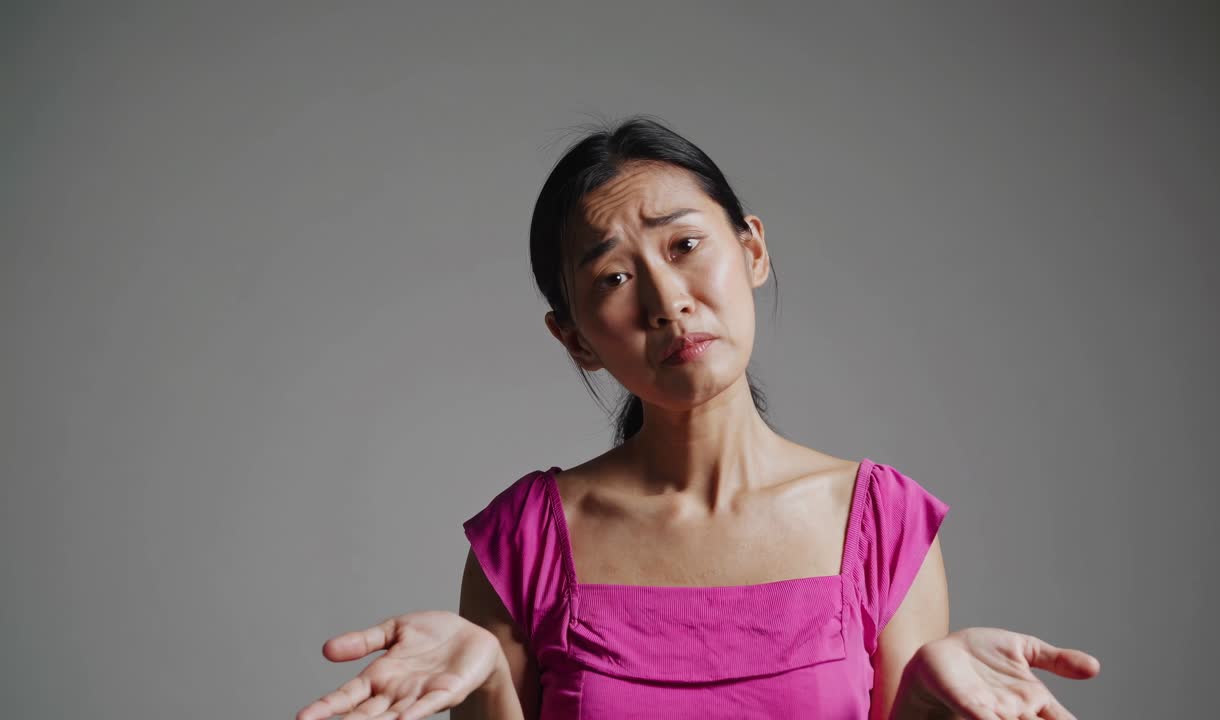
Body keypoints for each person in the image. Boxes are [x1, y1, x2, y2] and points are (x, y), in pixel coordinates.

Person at [295, 117, 1100, 720]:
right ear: (573, 337)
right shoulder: (525, 540)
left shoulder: (881, 521)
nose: (665, 299)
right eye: (612, 277)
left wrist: (926, 702)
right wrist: (485, 693)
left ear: (752, 250)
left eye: (683, 245)